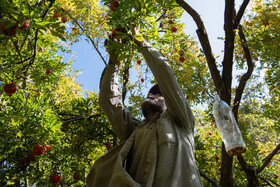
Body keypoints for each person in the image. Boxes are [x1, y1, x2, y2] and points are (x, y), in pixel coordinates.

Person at [86, 27, 202, 187]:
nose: (152, 95)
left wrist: (140, 40)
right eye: (150, 94)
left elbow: (166, 75)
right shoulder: (134, 130)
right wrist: (114, 61)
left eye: (158, 94)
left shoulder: (181, 121)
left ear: (169, 102)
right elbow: (108, 101)